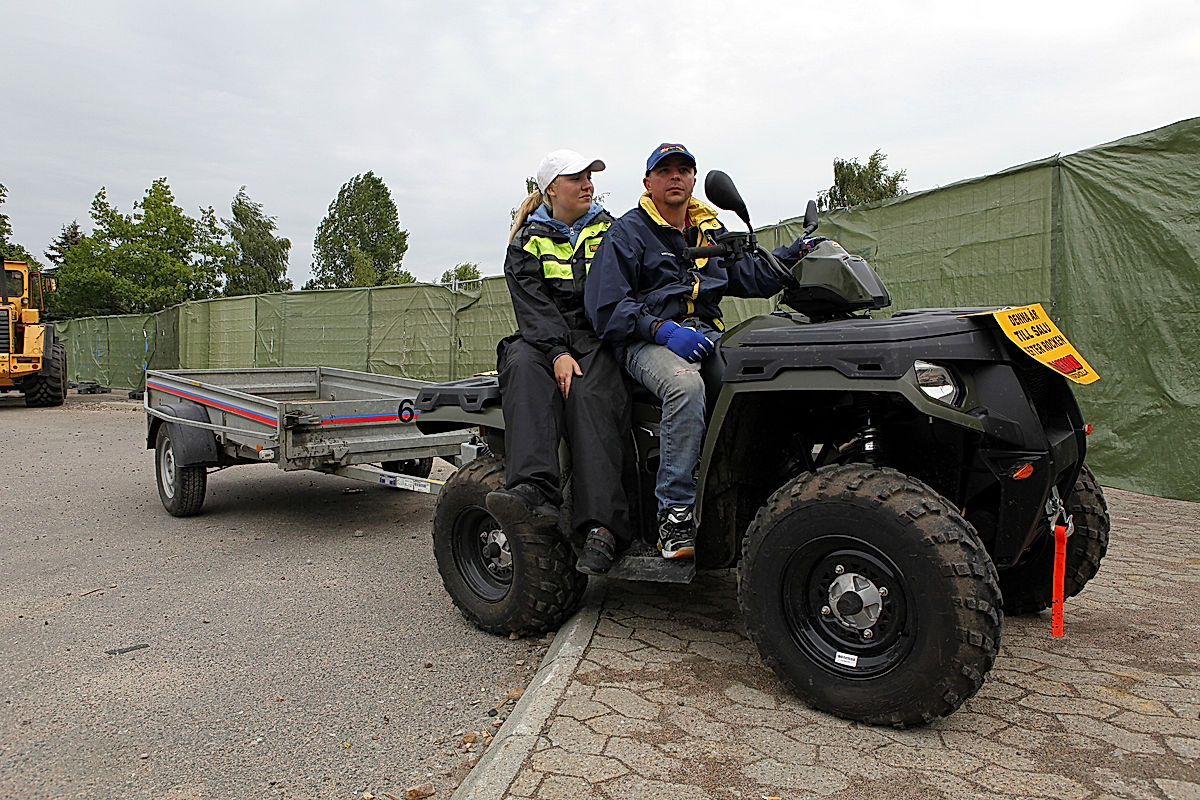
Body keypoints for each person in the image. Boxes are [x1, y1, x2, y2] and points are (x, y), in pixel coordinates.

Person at [584, 142, 808, 561]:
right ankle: (674, 516)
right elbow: (606, 308)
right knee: (685, 386)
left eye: (683, 170)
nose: (675, 176)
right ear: (648, 182)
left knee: (766, 370)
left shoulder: (708, 228)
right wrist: (661, 329)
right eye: (665, 170)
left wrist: (792, 256)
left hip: (704, 332)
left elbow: (749, 276)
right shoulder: (627, 233)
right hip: (644, 340)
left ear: (693, 179)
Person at [485, 149, 631, 575]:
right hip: (543, 335)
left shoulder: (612, 231)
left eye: (589, 177)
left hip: (597, 335)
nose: (588, 185)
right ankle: (534, 490)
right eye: (576, 179)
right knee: (520, 364)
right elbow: (533, 308)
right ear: (551, 189)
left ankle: (602, 528)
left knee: (589, 395)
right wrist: (557, 353)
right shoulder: (525, 242)